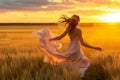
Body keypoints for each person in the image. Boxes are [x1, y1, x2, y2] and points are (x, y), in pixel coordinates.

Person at [33, 15, 102, 77]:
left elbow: (59, 37)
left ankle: (70, 74)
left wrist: (50, 39)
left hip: (71, 47)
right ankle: (74, 75)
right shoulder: (77, 30)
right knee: (76, 61)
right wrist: (95, 47)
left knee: (67, 60)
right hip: (76, 49)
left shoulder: (69, 29)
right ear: (78, 22)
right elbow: (82, 43)